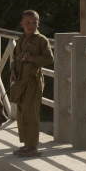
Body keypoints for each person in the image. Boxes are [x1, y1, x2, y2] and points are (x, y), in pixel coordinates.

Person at [9, 10, 53, 158]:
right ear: (22, 24)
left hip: (33, 81)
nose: (31, 25)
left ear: (38, 23)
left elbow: (49, 58)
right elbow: (15, 57)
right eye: (27, 23)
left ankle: (33, 146)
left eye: (34, 22)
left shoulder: (41, 40)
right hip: (21, 81)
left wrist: (32, 58)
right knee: (21, 113)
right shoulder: (21, 39)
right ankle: (26, 144)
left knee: (31, 113)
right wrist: (13, 71)